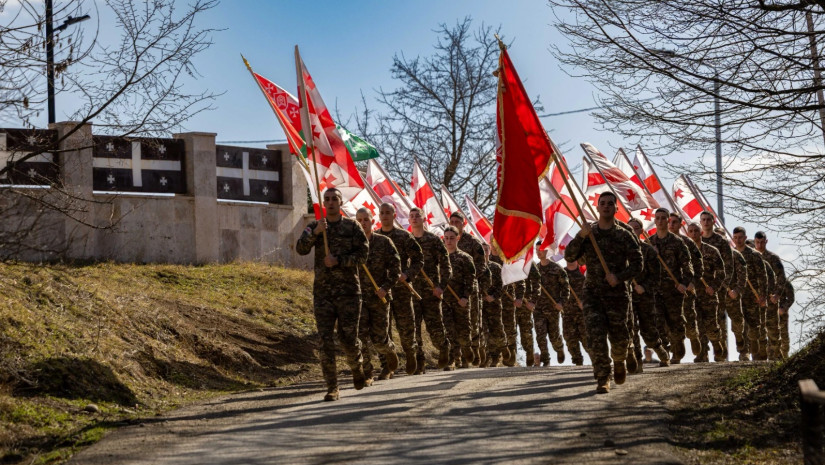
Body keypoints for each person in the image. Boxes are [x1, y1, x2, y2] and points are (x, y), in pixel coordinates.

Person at [565, 191, 642, 394]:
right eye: (603, 203)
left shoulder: (624, 235)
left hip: (617, 294)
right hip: (593, 294)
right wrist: (580, 236)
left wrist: (619, 277)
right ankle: (602, 377)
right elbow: (570, 256)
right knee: (595, 337)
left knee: (620, 338)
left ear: (616, 208)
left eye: (610, 203)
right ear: (597, 207)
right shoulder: (589, 234)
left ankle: (619, 359)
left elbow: (638, 264)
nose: (606, 206)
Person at [296, 188, 368, 401]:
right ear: (323, 203)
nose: (330, 202)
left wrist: (339, 260)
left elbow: (363, 255)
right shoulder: (315, 227)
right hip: (323, 294)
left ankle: (357, 366)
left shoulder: (352, 226)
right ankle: (332, 387)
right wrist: (316, 233)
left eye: (334, 199)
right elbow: (300, 249)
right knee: (325, 340)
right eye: (326, 199)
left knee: (348, 339)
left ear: (340, 202)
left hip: (349, 293)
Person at [375, 203, 424, 376]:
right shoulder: (375, 237)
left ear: (394, 215)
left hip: (401, 289)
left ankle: (410, 353)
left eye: (388, 213)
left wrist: (407, 274)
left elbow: (419, 259)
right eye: (382, 213)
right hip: (382, 289)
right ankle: (387, 365)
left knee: (406, 326)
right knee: (383, 328)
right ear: (379, 216)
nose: (385, 216)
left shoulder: (404, 236)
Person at [354, 208, 401, 385]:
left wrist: (385, 287)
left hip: (379, 297)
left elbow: (396, 269)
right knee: (360, 336)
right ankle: (367, 372)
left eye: (366, 219)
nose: (363, 223)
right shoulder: (352, 245)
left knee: (379, 338)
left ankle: (389, 354)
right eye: (359, 220)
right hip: (358, 298)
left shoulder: (384, 242)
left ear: (373, 221)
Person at [409, 207, 452, 372]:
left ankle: (443, 346)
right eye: (411, 216)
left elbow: (446, 266)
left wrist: (441, 286)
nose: (414, 219)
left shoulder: (433, 240)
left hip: (431, 290)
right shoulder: (407, 240)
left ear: (424, 219)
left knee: (434, 327)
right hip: (412, 290)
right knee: (414, 328)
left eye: (417, 216)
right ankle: (419, 361)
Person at [649, 208, 693, 364]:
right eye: (658, 218)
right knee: (658, 322)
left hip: (673, 290)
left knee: (675, 322)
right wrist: (652, 254)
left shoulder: (677, 242)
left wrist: (684, 283)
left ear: (668, 221)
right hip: (655, 290)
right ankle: (665, 354)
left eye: (663, 218)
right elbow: (643, 266)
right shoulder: (650, 242)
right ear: (655, 221)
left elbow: (687, 265)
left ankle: (678, 347)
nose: (660, 221)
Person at [627, 218, 670, 368]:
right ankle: (637, 360)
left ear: (641, 231)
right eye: (629, 228)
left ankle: (660, 350)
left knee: (649, 331)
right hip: (627, 296)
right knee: (631, 329)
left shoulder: (648, 250)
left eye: (636, 228)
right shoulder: (620, 251)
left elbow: (656, 276)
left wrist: (644, 287)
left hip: (645, 296)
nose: (632, 231)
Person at [450, 211, 490, 366]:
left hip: (470, 289)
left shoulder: (473, 243)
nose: (454, 224)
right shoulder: (447, 240)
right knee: (453, 322)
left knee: (472, 322)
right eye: (452, 221)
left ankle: (475, 348)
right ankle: (458, 356)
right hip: (451, 289)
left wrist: (469, 277)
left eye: (457, 222)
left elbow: (482, 265)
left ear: (463, 223)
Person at [686, 221, 727, 362]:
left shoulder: (711, 251)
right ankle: (702, 353)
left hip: (708, 293)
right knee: (697, 324)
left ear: (701, 233)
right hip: (692, 293)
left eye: (696, 231)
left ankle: (716, 343)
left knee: (711, 325)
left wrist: (714, 287)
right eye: (690, 231)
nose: (693, 234)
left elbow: (721, 272)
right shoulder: (685, 252)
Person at [668, 213, 704, 360]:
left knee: (689, 319)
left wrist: (692, 282)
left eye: (674, 222)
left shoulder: (687, 243)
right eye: (670, 222)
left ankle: (693, 336)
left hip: (686, 288)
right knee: (671, 322)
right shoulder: (659, 241)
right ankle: (677, 350)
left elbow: (699, 265)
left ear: (680, 224)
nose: (671, 225)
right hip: (669, 289)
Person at [700, 212, 735, 354]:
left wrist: (720, 286)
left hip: (717, 287)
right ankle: (702, 352)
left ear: (713, 222)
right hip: (701, 286)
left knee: (717, 319)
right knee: (700, 318)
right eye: (703, 220)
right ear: (700, 222)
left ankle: (720, 350)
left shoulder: (721, 242)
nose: (706, 222)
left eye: (708, 220)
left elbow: (728, 266)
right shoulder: (697, 240)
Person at [441, 226, 476, 370]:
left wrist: (465, 297)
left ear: (458, 239)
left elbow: (471, 280)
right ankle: (453, 359)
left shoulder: (465, 258)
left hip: (460, 300)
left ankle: (466, 350)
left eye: (452, 238)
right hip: (444, 300)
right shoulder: (441, 257)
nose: (449, 241)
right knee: (448, 330)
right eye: (446, 238)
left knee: (463, 331)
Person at [732, 226, 768, 361]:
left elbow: (762, 276)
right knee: (738, 325)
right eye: (735, 238)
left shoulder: (754, 255)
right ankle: (743, 352)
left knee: (753, 325)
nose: (738, 240)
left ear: (745, 238)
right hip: (736, 295)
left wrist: (763, 295)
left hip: (752, 295)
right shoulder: (730, 254)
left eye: (740, 237)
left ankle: (755, 350)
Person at [753, 231, 787, 360]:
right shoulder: (751, 257)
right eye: (757, 242)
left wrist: (777, 294)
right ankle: (758, 361)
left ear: (766, 242)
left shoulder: (773, 258)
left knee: (773, 331)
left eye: (762, 242)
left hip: (770, 299)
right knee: (757, 331)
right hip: (756, 299)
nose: (759, 245)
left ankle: (776, 359)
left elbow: (781, 278)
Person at [534, 244, 569, 366]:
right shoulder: (535, 270)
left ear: (547, 251)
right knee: (540, 335)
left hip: (553, 308)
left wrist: (562, 303)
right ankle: (546, 359)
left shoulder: (557, 269)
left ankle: (559, 348)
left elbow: (566, 288)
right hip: (538, 308)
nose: (538, 252)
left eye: (540, 250)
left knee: (554, 336)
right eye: (536, 250)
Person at [490, 253, 523, 367]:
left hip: (508, 300)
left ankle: (511, 352)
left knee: (509, 327)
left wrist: (519, 297)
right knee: (495, 327)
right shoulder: (488, 259)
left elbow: (520, 281)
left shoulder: (510, 260)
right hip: (493, 300)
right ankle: (495, 356)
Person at [481, 243, 509, 367]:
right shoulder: (476, 268)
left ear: (489, 251)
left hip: (494, 304)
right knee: (483, 331)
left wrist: (493, 296)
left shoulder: (496, 267)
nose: (484, 252)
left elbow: (503, 285)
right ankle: (489, 357)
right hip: (480, 305)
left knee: (496, 329)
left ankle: (503, 346)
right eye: (481, 250)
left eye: (486, 250)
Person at [562, 259, 589, 366]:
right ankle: (578, 363)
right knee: (570, 339)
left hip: (583, 313)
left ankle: (598, 362)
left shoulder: (584, 272)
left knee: (587, 340)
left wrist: (586, 303)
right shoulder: (561, 273)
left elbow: (593, 290)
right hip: (567, 313)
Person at [778, 280, 795, 359]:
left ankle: (785, 358)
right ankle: (773, 358)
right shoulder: (766, 280)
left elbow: (791, 298)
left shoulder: (785, 283)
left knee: (784, 336)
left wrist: (783, 308)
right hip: (769, 314)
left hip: (782, 315)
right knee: (771, 336)